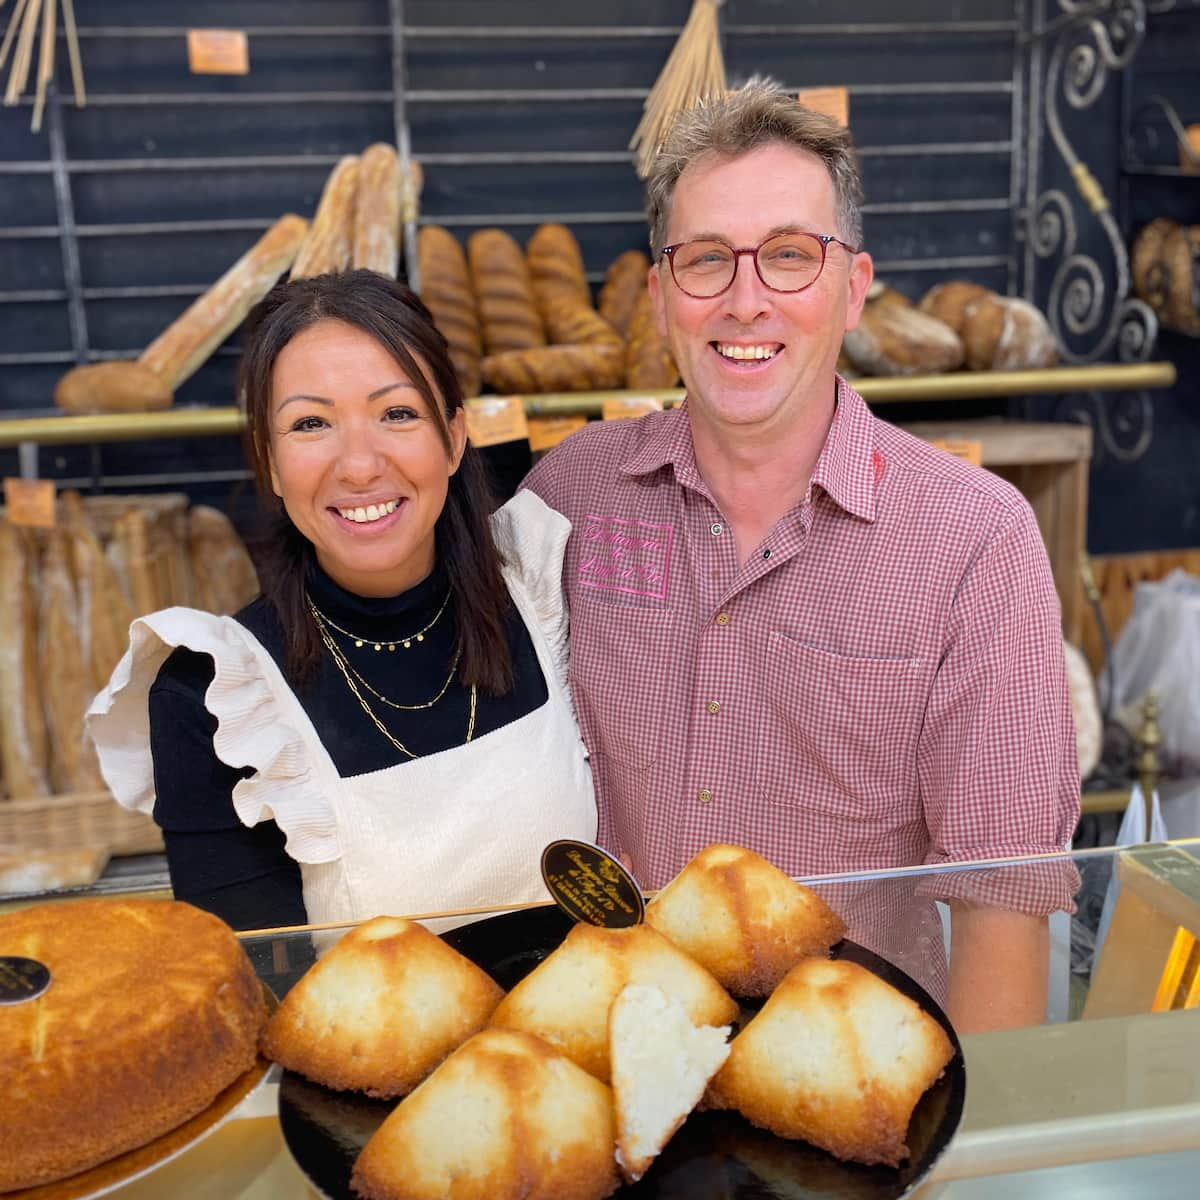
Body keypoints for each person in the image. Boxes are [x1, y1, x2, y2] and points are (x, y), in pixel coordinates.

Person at [523, 79, 1081, 1032]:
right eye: (707, 261)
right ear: (660, 298)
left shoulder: (974, 539)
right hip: (609, 1054)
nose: (746, 302)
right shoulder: (568, 499)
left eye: (789, 256)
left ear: (853, 289)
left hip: (854, 1084)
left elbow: (1004, 899)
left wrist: (972, 1157)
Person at [89, 270, 595, 931]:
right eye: (311, 423)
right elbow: (262, 988)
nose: (359, 465)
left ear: (454, 437)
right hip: (367, 1040)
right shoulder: (216, 699)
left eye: (397, 413)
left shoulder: (547, 587)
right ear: (268, 461)